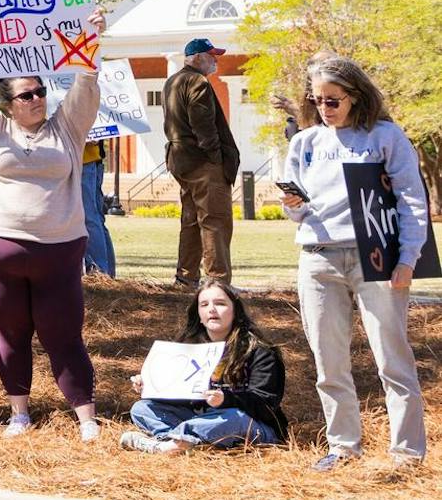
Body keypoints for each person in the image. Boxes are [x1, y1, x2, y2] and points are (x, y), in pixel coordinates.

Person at [0, 9, 109, 441]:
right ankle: (19, 412)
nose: (36, 99)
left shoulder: (67, 128)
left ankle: (86, 416)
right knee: (11, 332)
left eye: (39, 92)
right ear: (7, 103)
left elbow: (86, 85)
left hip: (59, 249)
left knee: (64, 331)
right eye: (26, 95)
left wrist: (92, 40)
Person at [280, 53, 429, 468]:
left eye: (333, 100)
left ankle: (407, 453)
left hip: (375, 257)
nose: (324, 108)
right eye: (318, 100)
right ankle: (343, 447)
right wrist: (292, 204)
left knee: (392, 358)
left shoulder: (385, 137)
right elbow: (296, 210)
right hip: (318, 256)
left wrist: (408, 258)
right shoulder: (305, 142)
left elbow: (412, 200)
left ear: (356, 96)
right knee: (329, 362)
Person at [121, 283, 288, 454]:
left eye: (220, 303)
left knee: (233, 418)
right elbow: (181, 396)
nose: (212, 309)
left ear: (236, 311)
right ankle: (182, 444)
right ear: (199, 315)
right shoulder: (189, 349)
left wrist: (226, 399)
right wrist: (149, 386)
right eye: (204, 304)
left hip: (251, 424)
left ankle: (167, 445)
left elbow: (266, 403)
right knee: (142, 408)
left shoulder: (261, 352)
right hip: (201, 419)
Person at [164, 37, 240, 287]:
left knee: (191, 220)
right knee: (215, 221)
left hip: (181, 160)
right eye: (211, 56)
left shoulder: (172, 81)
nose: (215, 60)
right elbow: (203, 125)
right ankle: (218, 281)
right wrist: (217, 159)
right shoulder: (197, 81)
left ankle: (186, 278)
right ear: (196, 58)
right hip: (202, 162)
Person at [81, 140, 116, 277]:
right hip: (90, 158)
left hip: (84, 157)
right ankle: (106, 272)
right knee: (95, 218)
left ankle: (99, 271)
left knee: (89, 217)